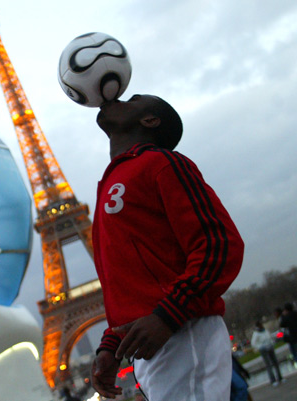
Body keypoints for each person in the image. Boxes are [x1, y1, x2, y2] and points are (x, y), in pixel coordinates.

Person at [89, 95, 244, 401]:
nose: (118, 96)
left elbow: (220, 244)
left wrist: (168, 314)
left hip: (182, 331)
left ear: (149, 120)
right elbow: (130, 280)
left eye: (132, 99)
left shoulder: (162, 164)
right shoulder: (113, 181)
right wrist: (112, 344)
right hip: (157, 339)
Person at [250, 321, 283, 386]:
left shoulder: (265, 331)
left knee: (275, 362)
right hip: (263, 349)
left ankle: (280, 377)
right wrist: (260, 347)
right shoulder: (256, 334)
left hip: (270, 347)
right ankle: (273, 380)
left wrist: (271, 343)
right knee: (268, 364)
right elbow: (253, 343)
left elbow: (269, 337)